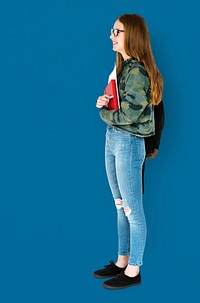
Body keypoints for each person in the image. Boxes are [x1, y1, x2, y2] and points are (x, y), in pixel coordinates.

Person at [93, 14, 163, 290]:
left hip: (128, 142)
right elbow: (121, 107)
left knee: (133, 210)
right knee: (120, 205)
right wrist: (106, 101)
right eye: (112, 30)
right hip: (115, 139)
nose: (111, 35)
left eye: (117, 31)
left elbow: (131, 116)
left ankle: (134, 270)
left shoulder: (137, 71)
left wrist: (103, 113)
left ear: (131, 35)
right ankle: (122, 261)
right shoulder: (124, 68)